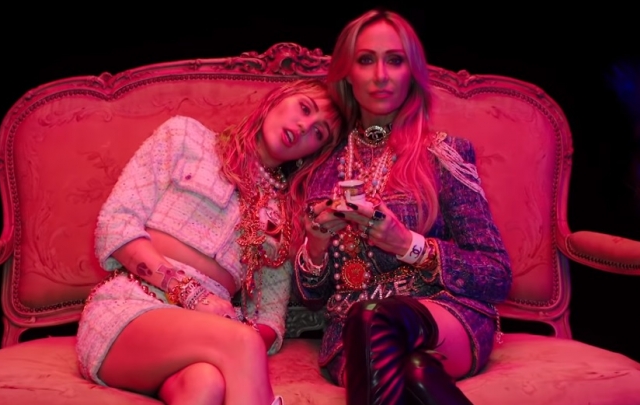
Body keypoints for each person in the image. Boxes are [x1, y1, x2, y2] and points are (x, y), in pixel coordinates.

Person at [291, 9, 513, 405]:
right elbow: (310, 298)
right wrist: (316, 246)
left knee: (376, 317)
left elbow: (495, 274)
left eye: (394, 60)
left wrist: (409, 245)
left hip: (444, 315)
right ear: (347, 73)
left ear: (412, 72)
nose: (381, 75)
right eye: (366, 60)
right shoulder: (321, 166)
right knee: (412, 370)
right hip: (350, 333)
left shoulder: (443, 153)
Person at [76, 79, 343, 405]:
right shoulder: (185, 137)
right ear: (278, 98)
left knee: (206, 386)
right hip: (131, 305)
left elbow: (269, 315)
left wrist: (232, 330)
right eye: (304, 108)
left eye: (318, 133)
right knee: (243, 342)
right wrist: (194, 297)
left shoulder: (283, 214)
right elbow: (115, 225)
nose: (304, 127)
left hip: (204, 335)